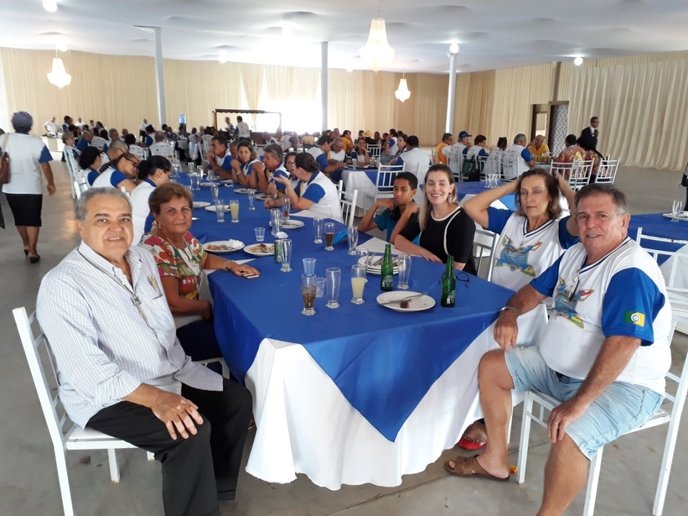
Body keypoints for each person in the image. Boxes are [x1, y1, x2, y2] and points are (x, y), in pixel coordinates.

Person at [37, 188, 253, 515]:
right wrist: (158, 400)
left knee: (236, 400)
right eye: (102, 219)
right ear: (80, 226)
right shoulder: (63, 285)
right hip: (108, 396)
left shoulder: (142, 258)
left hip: (167, 370)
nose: (116, 228)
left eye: (123, 218)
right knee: (190, 432)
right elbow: (89, 373)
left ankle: (215, 487)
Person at [459, 168, 579, 450]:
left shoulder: (559, 231)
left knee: (490, 357)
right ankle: (472, 410)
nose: (529, 198)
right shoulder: (511, 220)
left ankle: (488, 420)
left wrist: (562, 184)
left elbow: (579, 213)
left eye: (537, 192)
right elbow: (471, 206)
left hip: (528, 312)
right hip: (494, 303)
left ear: (551, 197)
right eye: (524, 193)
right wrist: (512, 185)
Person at [142, 183, 259, 362]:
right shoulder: (157, 248)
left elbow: (202, 258)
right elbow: (173, 304)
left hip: (189, 317)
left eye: (185, 209)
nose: (181, 216)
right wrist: (206, 307)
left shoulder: (184, 236)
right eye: (171, 211)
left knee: (241, 324)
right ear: (156, 215)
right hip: (173, 332)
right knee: (242, 339)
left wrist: (231, 264)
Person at [395, 164, 476, 272]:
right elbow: (399, 240)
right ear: (425, 188)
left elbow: (458, 266)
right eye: (431, 184)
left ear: (451, 188)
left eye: (442, 183)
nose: (435, 188)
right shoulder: (424, 213)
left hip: (459, 280)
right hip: (431, 271)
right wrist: (423, 252)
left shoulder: (463, 220)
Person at [1, 111, 56, 263]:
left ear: (13, 125)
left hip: (10, 187)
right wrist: (50, 183)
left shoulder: (4, 140)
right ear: (30, 126)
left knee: (19, 219)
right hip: (32, 188)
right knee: (33, 219)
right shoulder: (36, 142)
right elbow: (45, 166)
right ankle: (32, 250)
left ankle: (25, 243)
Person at [265, 152, 343, 221]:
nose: (291, 170)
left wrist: (288, 184)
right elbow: (291, 199)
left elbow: (297, 205)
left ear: (300, 170)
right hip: (314, 217)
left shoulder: (318, 185)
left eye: (294, 169)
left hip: (330, 223)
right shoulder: (305, 180)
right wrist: (274, 203)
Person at [358, 172, 418, 243]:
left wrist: (407, 213)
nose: (398, 193)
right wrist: (375, 205)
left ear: (413, 192)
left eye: (403, 190)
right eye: (395, 189)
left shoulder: (418, 215)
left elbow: (394, 242)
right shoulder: (392, 211)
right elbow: (362, 228)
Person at [130, 155, 172, 244]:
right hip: (140, 244)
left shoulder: (139, 188)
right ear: (160, 173)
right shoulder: (155, 192)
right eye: (168, 176)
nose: (169, 181)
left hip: (131, 239)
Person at [394, 135, 431, 202]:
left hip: (407, 186)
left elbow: (395, 171)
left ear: (407, 144)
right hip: (423, 184)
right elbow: (430, 169)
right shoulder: (427, 156)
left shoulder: (403, 156)